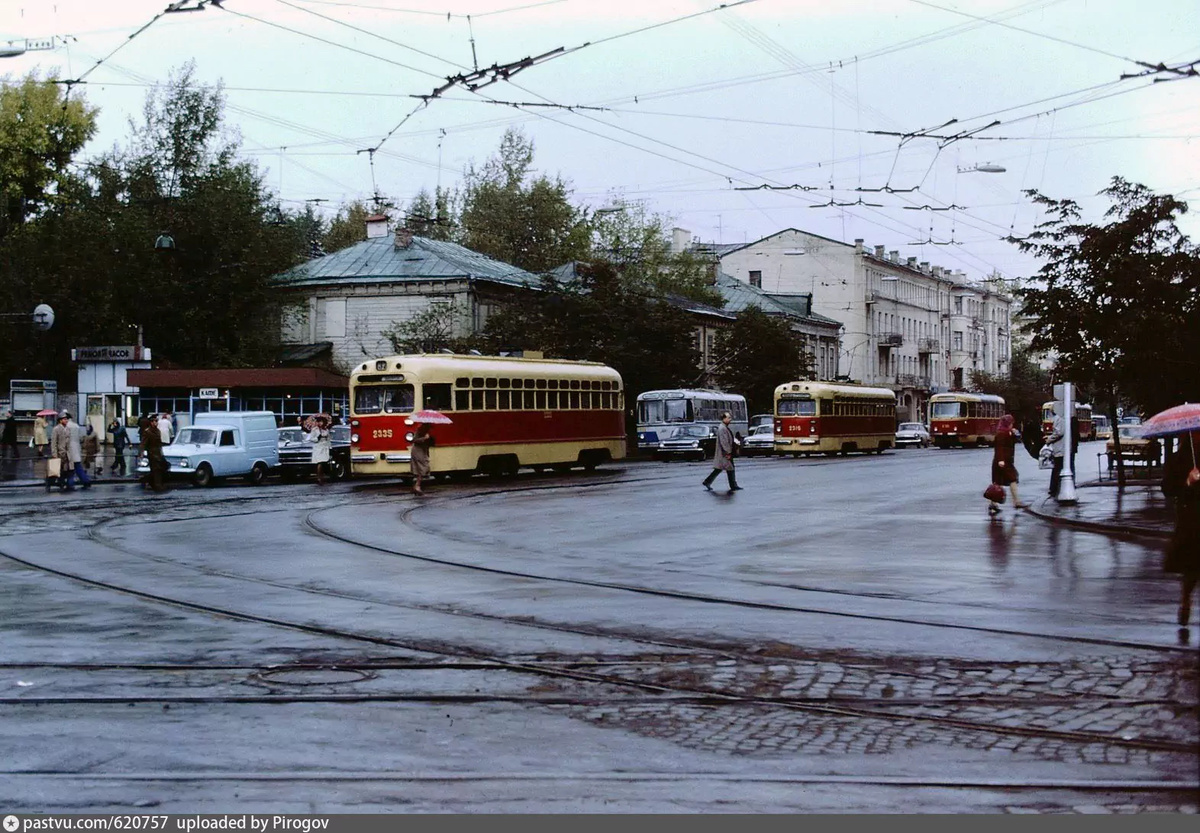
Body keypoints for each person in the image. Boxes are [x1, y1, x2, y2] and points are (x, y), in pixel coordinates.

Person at [1162, 434, 1200, 633]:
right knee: (1192, 568)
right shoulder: (1180, 459)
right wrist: (1188, 481)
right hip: (1192, 518)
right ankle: (1186, 600)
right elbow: (1168, 488)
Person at [989, 414, 1026, 514]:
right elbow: (999, 447)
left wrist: (1015, 434)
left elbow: (1015, 441)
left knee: (999, 481)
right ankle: (1016, 501)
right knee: (1011, 479)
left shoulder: (1007, 432)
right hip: (1003, 462)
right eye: (1011, 423)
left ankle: (993, 503)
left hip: (1006, 461)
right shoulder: (1002, 433)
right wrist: (1001, 460)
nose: (1012, 425)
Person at [702, 411, 742, 493]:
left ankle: (707, 482)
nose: (730, 420)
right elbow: (724, 442)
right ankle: (733, 485)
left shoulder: (724, 427)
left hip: (724, 453)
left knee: (720, 469)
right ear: (724, 419)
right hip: (724, 453)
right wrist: (728, 452)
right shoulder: (722, 428)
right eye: (728, 418)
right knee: (729, 468)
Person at [141, 416, 167, 492]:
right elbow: (143, 443)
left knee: (161, 468)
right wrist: (141, 452)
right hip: (152, 453)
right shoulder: (147, 431)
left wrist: (161, 453)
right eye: (154, 421)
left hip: (158, 452)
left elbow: (159, 443)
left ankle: (147, 480)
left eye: (156, 421)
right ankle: (158, 485)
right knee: (156, 469)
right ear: (151, 422)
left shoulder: (158, 431)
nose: (156, 423)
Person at [1046, 403, 1067, 498]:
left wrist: (1049, 439)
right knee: (1057, 468)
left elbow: (1059, 432)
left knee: (1057, 469)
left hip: (1060, 448)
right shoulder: (1061, 418)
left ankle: (1053, 489)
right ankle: (1054, 488)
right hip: (1060, 448)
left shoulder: (1059, 418)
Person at [306, 415, 332, 486]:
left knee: (324, 463)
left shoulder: (326, 430)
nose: (320, 423)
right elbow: (311, 438)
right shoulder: (314, 430)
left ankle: (322, 476)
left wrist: (330, 447)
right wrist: (317, 438)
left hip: (325, 447)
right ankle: (319, 477)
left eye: (321, 422)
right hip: (318, 447)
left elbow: (329, 439)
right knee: (319, 463)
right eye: (319, 422)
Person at [410, 422, 434, 495]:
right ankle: (417, 486)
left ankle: (416, 486)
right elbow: (414, 440)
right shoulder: (419, 430)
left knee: (420, 469)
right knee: (423, 468)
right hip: (418, 451)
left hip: (422, 451)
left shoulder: (426, 431)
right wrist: (424, 438)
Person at [49, 413, 72, 492]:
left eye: (67, 419)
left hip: (66, 454)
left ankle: (62, 483)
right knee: (57, 470)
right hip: (59, 453)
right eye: (65, 419)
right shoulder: (56, 429)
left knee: (65, 470)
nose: (66, 421)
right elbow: (53, 442)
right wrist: (54, 454)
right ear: (60, 420)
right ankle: (51, 483)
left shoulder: (68, 429)